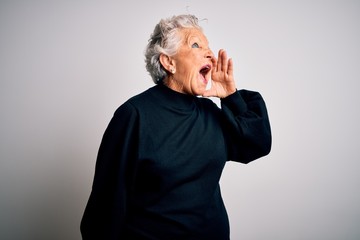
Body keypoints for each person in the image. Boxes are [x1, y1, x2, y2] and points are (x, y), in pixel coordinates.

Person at [80, 14, 271, 240]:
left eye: (208, 46)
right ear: (168, 62)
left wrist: (230, 96)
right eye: (196, 44)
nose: (210, 53)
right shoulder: (134, 116)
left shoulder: (209, 113)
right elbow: (105, 208)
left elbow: (256, 144)